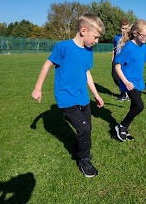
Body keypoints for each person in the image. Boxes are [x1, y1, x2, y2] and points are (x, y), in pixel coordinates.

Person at [31, 13, 105, 178]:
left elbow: (87, 73)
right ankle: (83, 160)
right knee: (84, 128)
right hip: (66, 98)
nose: (97, 41)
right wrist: (38, 88)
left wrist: (96, 94)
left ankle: (81, 149)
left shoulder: (89, 50)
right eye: (96, 37)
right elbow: (47, 65)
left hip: (83, 97)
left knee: (87, 128)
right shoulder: (63, 47)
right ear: (83, 31)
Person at [111, 18, 130, 101]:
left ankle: (124, 93)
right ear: (120, 28)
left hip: (125, 61)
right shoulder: (116, 37)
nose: (124, 30)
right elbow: (114, 49)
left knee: (122, 77)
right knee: (115, 76)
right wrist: (113, 58)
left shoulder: (130, 38)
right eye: (123, 28)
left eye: (126, 28)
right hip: (117, 60)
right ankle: (125, 91)